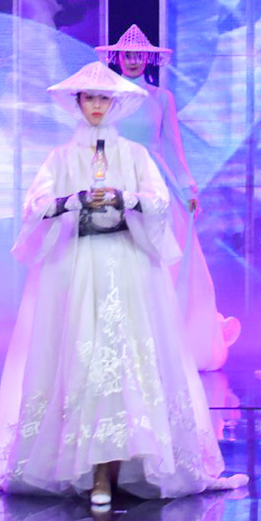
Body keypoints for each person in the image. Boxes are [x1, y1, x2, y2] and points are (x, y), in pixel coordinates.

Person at [0, 60, 245, 507]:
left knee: (126, 360)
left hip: (126, 265)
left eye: (104, 98)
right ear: (78, 103)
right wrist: (73, 200)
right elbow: (36, 204)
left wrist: (126, 198)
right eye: (90, 98)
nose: (97, 105)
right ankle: (89, 470)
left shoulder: (135, 155)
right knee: (79, 358)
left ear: (115, 103)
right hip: (76, 266)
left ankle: (120, 468)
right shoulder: (62, 157)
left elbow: (158, 202)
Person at [96, 25, 240, 369]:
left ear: (148, 59)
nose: (133, 60)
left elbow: (172, 146)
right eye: (127, 55)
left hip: (154, 182)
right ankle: (121, 344)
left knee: (161, 260)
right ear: (118, 58)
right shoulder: (107, 96)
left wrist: (187, 188)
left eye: (139, 55)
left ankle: (162, 343)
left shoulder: (161, 97)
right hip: (118, 180)